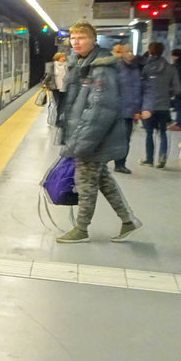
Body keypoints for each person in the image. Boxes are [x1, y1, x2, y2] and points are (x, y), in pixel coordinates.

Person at [55, 20, 141, 244]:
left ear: (93, 40)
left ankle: (81, 229)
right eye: (73, 38)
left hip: (94, 138)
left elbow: (100, 109)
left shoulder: (101, 68)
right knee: (103, 180)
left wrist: (81, 143)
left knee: (85, 184)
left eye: (81, 38)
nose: (76, 42)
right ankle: (128, 220)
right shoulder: (81, 63)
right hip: (88, 136)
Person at [137, 42, 179, 168]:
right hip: (164, 106)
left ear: (149, 51)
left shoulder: (145, 67)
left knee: (149, 133)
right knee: (163, 132)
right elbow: (177, 88)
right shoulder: (170, 68)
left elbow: (140, 86)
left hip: (147, 106)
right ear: (162, 52)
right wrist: (167, 93)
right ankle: (162, 157)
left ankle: (149, 160)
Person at [110, 43, 141, 173]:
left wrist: (137, 109)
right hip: (113, 109)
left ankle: (120, 163)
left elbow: (138, 89)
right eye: (127, 51)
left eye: (131, 51)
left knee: (125, 139)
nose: (130, 54)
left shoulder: (135, 69)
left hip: (128, 111)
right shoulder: (114, 68)